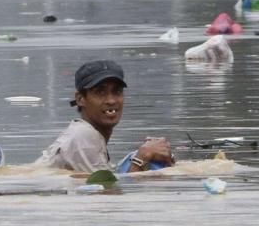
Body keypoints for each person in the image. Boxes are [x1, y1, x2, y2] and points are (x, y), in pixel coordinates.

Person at [38, 59, 174, 174]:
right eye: (100, 92)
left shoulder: (87, 134)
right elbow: (104, 193)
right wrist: (142, 156)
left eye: (117, 91)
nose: (111, 100)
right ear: (80, 99)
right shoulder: (83, 137)